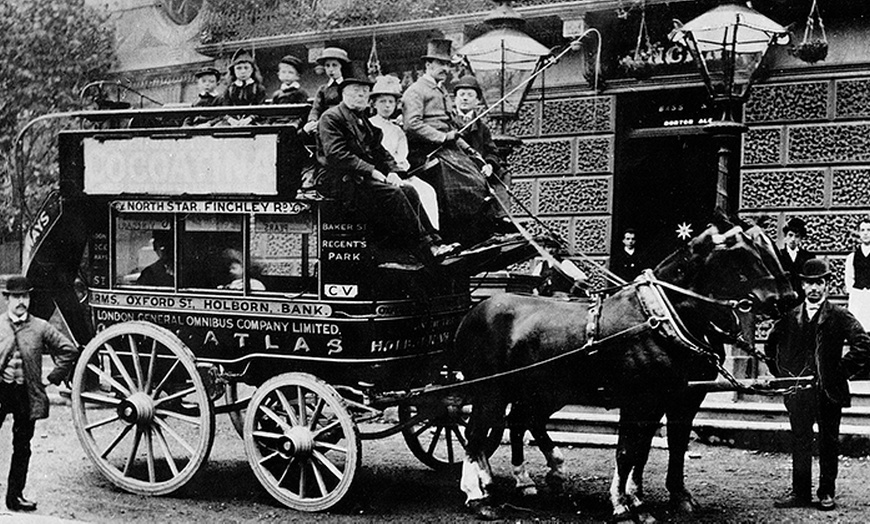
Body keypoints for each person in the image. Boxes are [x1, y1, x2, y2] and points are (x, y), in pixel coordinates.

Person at [317, 74, 458, 264]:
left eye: (365, 92)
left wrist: (392, 170)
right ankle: (424, 248)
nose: (361, 96)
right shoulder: (331, 118)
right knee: (394, 193)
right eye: (356, 92)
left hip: (361, 178)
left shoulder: (362, 120)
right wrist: (372, 171)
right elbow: (336, 155)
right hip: (340, 181)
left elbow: (379, 150)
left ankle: (435, 241)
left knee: (409, 190)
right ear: (344, 94)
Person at [765, 259, 870, 511]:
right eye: (809, 283)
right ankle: (800, 494)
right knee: (800, 440)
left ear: (826, 286)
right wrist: (784, 375)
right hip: (799, 392)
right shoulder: (790, 317)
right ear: (802, 285)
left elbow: (864, 344)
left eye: (819, 283)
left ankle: (826, 492)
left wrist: (838, 372)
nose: (814, 288)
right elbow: (770, 347)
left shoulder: (839, 315)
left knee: (828, 441)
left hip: (828, 392)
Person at [402, 39, 510, 246]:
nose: (445, 69)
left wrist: (469, 149)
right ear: (428, 65)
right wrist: (441, 137)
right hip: (426, 150)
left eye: (447, 65)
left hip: (448, 148)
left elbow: (451, 128)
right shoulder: (415, 91)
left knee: (479, 175)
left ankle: (485, 227)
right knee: (464, 181)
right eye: (441, 64)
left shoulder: (442, 92)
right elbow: (412, 125)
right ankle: (465, 233)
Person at [0, 275, 78, 512]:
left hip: (26, 393)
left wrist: (51, 377)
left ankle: (15, 497)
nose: (21, 301)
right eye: (16, 297)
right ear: (6, 300)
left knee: (22, 446)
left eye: (25, 296)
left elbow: (69, 350)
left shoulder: (40, 326)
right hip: (1, 391)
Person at [368, 75, 439, 230]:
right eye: (382, 101)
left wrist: (400, 168)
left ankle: (433, 233)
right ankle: (419, 235)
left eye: (391, 102)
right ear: (373, 104)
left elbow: (402, 155)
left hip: (398, 171)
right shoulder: (370, 125)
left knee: (427, 190)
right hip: (380, 172)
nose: (387, 106)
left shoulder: (397, 130)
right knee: (407, 192)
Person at [452, 75, 506, 207]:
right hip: (457, 167)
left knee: (503, 175)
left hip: (479, 168)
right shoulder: (449, 122)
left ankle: (502, 215)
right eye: (461, 94)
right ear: (455, 99)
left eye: (470, 95)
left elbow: (492, 151)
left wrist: (489, 165)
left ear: (477, 101)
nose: (465, 98)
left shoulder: (483, 128)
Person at [303, 47, 349, 134]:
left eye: (334, 65)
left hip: (344, 122)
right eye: (327, 65)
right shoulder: (323, 89)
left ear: (341, 66)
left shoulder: (347, 86)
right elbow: (316, 108)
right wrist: (312, 120)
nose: (331, 69)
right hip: (326, 122)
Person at [222, 48, 266, 126]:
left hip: (252, 121)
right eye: (239, 68)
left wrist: (249, 119)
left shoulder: (259, 88)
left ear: (252, 69)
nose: (243, 71)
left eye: (246, 68)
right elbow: (225, 109)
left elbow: (261, 109)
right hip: (232, 122)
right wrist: (231, 120)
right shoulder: (229, 89)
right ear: (233, 71)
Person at [777, 217, 813, 301]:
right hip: (784, 298)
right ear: (785, 236)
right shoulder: (779, 255)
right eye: (790, 235)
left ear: (801, 239)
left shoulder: (807, 256)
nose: (793, 239)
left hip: (802, 298)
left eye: (797, 236)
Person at [845, 217, 870, 331]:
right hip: (858, 298)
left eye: (869, 230)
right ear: (859, 233)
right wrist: (853, 292)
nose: (866, 233)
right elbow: (849, 278)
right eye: (863, 230)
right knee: (857, 330)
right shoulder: (852, 257)